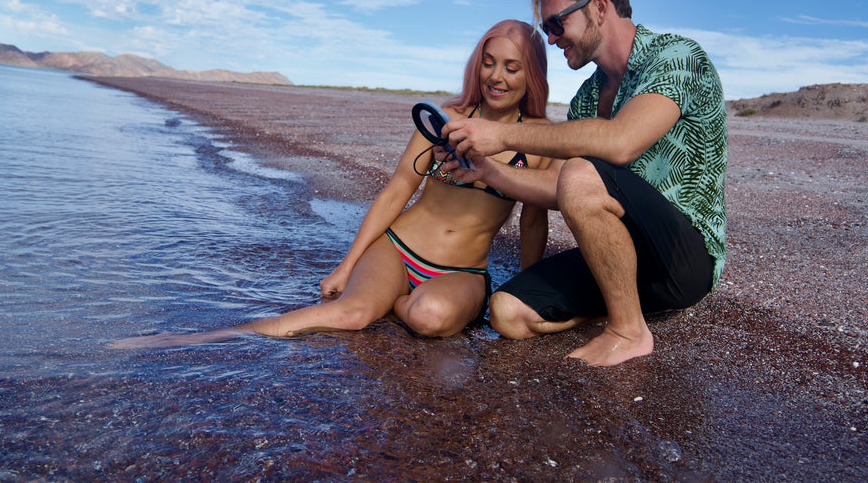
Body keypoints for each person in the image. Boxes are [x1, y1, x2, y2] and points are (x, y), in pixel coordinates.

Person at [110, 19, 553, 349]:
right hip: (399, 249)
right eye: (489, 64)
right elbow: (396, 192)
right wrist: (346, 266)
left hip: (462, 271)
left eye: (512, 67)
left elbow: (534, 225)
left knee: (431, 316)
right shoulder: (444, 121)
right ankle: (197, 338)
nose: (497, 77)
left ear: (531, 73)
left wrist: (527, 293)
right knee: (351, 314)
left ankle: (406, 303)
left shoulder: (538, 140)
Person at [440, 0, 727, 366]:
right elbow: (564, 191)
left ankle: (629, 331)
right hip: (622, 259)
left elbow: (620, 142)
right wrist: (487, 171)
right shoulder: (588, 97)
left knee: (580, 171)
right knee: (507, 313)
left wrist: (503, 138)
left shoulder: (676, 58)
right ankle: (627, 305)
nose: (552, 38)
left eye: (557, 23)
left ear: (599, 6)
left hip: (685, 258)